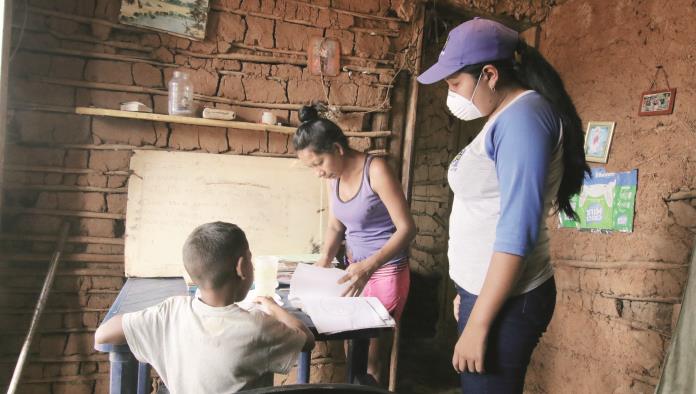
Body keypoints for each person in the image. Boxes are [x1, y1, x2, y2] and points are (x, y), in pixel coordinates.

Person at [417, 18, 590, 393]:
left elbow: (518, 230)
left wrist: (481, 320)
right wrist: (469, 291)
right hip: (487, 294)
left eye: (455, 84)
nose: (451, 95)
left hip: (508, 300)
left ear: (490, 74)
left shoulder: (524, 119)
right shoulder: (504, 115)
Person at [94, 222, 315, 393]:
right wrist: (272, 306)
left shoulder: (169, 313)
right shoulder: (258, 326)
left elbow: (103, 335)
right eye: (250, 259)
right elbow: (306, 340)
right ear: (241, 267)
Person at [293, 105, 416, 383]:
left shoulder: (376, 170)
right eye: (311, 167)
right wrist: (323, 261)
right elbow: (337, 225)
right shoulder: (333, 178)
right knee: (352, 345)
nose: (317, 172)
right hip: (354, 270)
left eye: (318, 163)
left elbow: (407, 229)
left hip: (386, 272)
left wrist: (369, 265)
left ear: (337, 148)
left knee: (371, 356)